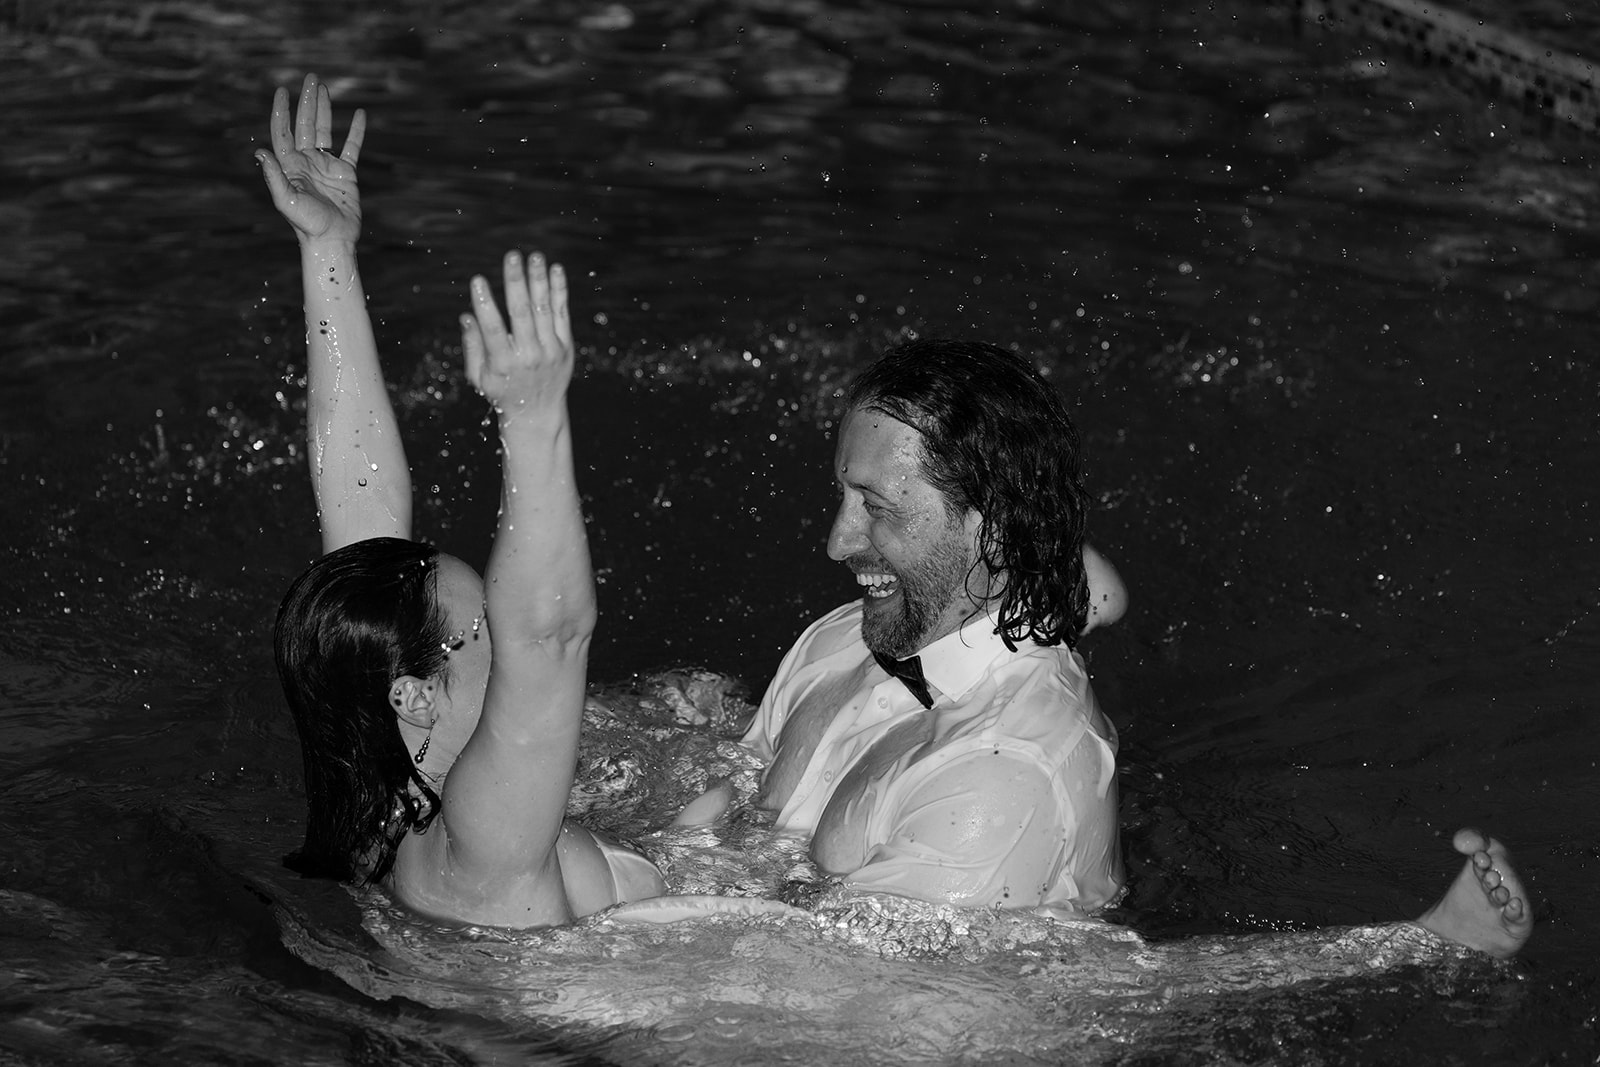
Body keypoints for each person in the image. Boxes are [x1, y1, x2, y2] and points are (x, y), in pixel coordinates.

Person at [742, 338, 1533, 958]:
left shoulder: (1004, 778)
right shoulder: (845, 637)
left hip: (965, 1007)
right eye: (842, 493)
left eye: (875, 506)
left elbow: (817, 1014)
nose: (836, 538)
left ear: (988, 525)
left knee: (1109, 981)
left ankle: (1415, 944)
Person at [257, 74, 672, 926]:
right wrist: (534, 420)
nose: (506, 632)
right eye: (485, 624)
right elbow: (551, 637)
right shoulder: (478, 847)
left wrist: (327, 252)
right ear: (412, 693)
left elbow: (361, 504)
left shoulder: (387, 797)